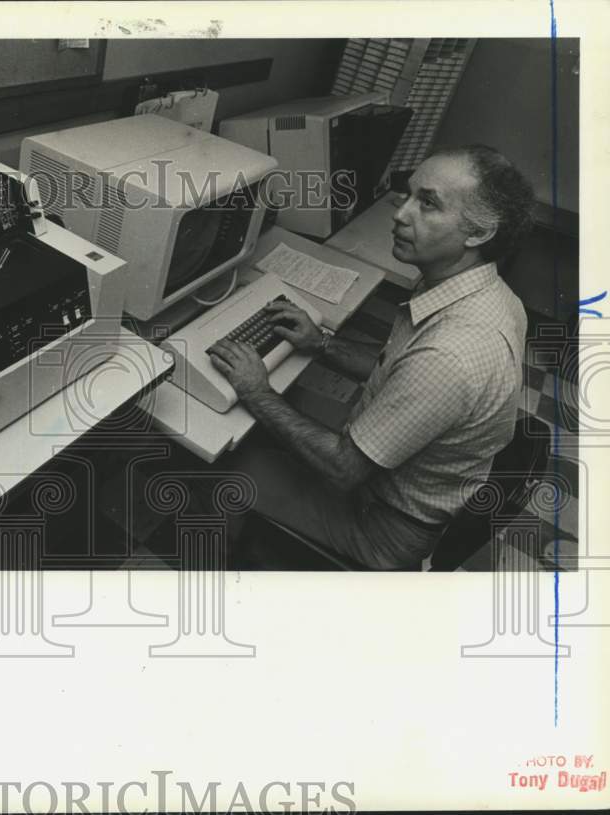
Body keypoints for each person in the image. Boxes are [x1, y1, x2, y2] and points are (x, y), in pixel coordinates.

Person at [207, 144, 534, 569]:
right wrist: (319, 343)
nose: (401, 214)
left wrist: (257, 390)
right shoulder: (485, 293)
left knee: (223, 464)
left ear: (478, 233)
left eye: (428, 204)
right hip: (402, 486)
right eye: (410, 194)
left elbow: (343, 468)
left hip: (379, 525)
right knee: (283, 414)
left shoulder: (454, 352)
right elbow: (399, 367)